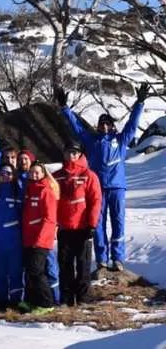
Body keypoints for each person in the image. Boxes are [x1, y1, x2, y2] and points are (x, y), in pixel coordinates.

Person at [57, 83, 148, 272]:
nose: (105, 126)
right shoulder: (91, 141)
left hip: (117, 188)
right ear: (98, 126)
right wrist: (65, 108)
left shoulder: (121, 140)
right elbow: (76, 127)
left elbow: (132, 125)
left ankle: (118, 258)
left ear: (112, 125)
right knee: (97, 223)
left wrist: (139, 103)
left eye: (107, 123)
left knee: (118, 222)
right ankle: (102, 258)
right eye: (101, 123)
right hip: (97, 190)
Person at [53, 141, 102, 306]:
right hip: (64, 228)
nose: (71, 156)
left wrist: (92, 225)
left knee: (83, 267)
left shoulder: (89, 175)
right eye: (68, 152)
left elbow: (95, 201)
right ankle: (67, 300)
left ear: (80, 155)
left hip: (83, 229)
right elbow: (50, 201)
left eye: (75, 153)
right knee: (65, 266)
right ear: (64, 154)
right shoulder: (57, 176)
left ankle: (83, 300)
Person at [19, 162, 59, 314]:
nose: (34, 175)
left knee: (37, 271)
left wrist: (40, 239)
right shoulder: (29, 190)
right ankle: (31, 301)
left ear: (43, 174)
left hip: (40, 240)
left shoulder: (45, 191)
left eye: (37, 172)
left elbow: (50, 218)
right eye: (31, 172)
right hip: (28, 239)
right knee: (29, 271)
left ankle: (46, 303)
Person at [0, 164, 24, 310]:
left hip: (14, 240)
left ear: (13, 175)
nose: (5, 176)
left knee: (15, 272)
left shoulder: (18, 192)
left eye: (9, 173)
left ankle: (16, 301)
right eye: (2, 173)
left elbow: (23, 215)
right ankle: (0, 302)